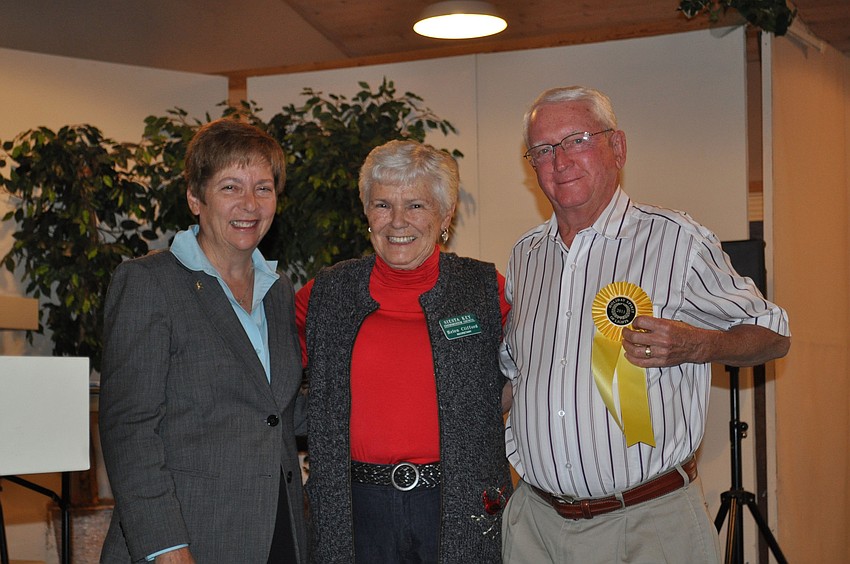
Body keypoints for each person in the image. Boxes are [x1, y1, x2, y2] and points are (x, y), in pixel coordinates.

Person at [499, 86, 791, 563]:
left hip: (647, 526)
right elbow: (515, 374)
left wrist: (698, 345)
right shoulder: (526, 255)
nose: (560, 161)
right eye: (543, 150)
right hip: (536, 527)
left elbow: (774, 335)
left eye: (577, 140)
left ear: (618, 147)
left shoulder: (677, 239)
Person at [99, 118, 307, 563]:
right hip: (186, 539)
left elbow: (276, 410)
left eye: (263, 188)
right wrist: (167, 549)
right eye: (230, 187)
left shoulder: (278, 290)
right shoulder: (149, 283)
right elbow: (129, 431)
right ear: (195, 198)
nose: (249, 204)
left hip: (277, 530)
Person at [296, 139, 513, 563]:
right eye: (382, 205)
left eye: (416, 205)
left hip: (460, 507)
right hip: (354, 511)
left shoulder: (485, 289)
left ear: (445, 214)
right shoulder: (327, 293)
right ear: (366, 212)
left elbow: (531, 372)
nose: (398, 221)